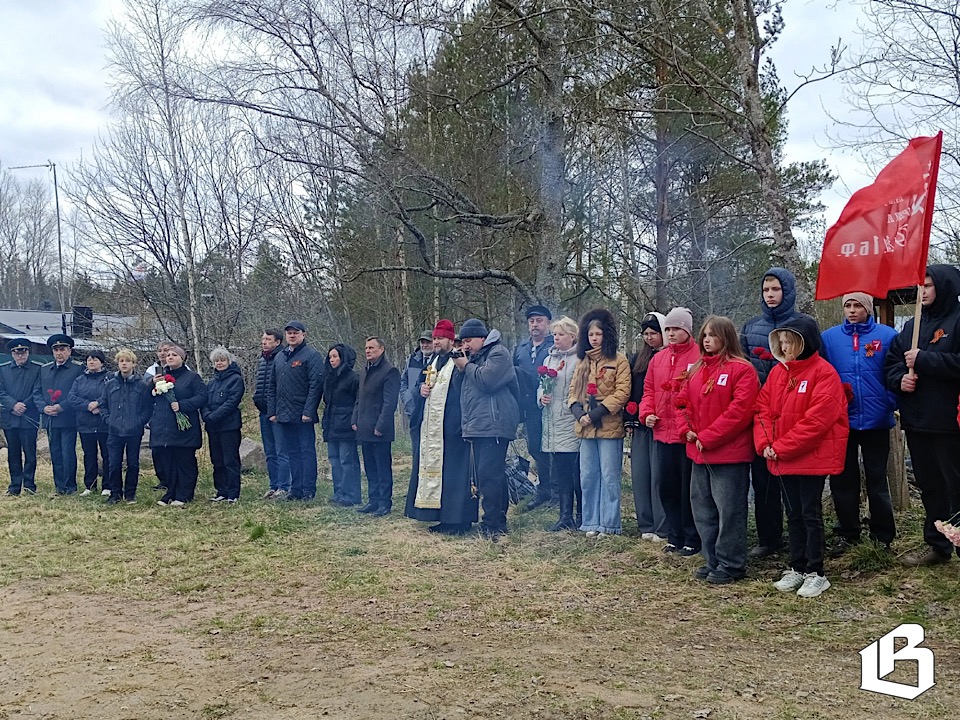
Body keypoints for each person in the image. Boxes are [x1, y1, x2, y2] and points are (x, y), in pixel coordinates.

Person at [755, 316, 848, 598]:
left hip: (810, 458)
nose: (784, 347)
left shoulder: (824, 373)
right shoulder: (778, 373)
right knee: (793, 514)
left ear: (803, 343)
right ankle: (797, 566)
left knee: (810, 514)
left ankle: (816, 572)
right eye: (780, 342)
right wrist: (765, 444)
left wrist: (780, 447)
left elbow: (816, 422)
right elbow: (761, 410)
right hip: (782, 456)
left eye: (789, 342)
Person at [885, 265, 960, 566]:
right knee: (930, 485)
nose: (924, 291)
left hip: (950, 422)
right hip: (917, 421)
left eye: (928, 286)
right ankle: (938, 544)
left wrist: (925, 360)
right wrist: (899, 379)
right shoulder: (911, 327)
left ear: (944, 286)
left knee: (956, 485)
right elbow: (892, 363)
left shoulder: (957, 321)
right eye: (921, 287)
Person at [678, 316, 760, 584]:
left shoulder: (742, 369)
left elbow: (740, 412)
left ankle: (732, 563)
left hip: (729, 455)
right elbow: (681, 403)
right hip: (699, 452)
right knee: (702, 509)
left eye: (713, 335)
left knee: (729, 511)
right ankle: (712, 559)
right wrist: (686, 429)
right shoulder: (696, 369)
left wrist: (709, 436)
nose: (707, 340)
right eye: (704, 335)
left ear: (727, 337)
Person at [821, 292, 898, 553]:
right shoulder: (829, 338)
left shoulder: (887, 336)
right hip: (842, 421)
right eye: (847, 306)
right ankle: (848, 531)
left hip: (876, 419)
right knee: (843, 479)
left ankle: (883, 535)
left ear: (868, 309)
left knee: (877, 479)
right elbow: (823, 374)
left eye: (857, 306)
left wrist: (889, 401)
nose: (852, 310)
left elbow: (894, 372)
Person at [739, 268, 801, 558]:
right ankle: (769, 537)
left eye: (776, 289)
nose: (771, 295)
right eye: (766, 291)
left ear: (787, 291)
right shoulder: (751, 328)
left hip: (792, 413)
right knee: (762, 478)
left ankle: (800, 538)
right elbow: (741, 368)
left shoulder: (803, 324)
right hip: (760, 414)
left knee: (793, 480)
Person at [405, 319, 478, 534]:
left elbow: (464, 390)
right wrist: (421, 390)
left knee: (456, 475)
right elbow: (420, 384)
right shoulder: (433, 362)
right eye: (435, 338)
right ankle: (443, 517)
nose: (436, 342)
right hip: (434, 429)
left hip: (454, 428)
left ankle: (459, 520)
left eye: (440, 338)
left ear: (450, 339)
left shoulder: (457, 359)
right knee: (441, 474)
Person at [639, 307, 702, 555]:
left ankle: (691, 536)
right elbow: (648, 391)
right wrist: (646, 413)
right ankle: (674, 534)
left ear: (687, 330)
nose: (672, 333)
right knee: (666, 487)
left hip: (685, 435)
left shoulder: (698, 356)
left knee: (687, 489)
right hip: (662, 433)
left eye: (676, 329)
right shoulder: (659, 359)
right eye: (669, 329)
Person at [568, 308, 631, 536]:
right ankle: (591, 522)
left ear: (607, 335)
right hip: (585, 428)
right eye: (591, 334)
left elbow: (622, 392)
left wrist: (596, 414)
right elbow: (573, 392)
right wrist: (578, 412)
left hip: (608, 426)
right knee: (588, 476)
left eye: (599, 334)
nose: (595, 338)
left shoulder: (619, 360)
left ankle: (609, 523)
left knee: (609, 476)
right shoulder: (582, 362)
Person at [454, 318, 520, 538]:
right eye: (463, 341)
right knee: (491, 476)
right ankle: (497, 521)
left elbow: (488, 381)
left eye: (469, 340)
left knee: (488, 476)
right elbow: (460, 389)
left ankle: (492, 525)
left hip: (495, 424)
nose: (466, 345)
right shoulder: (474, 358)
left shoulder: (498, 353)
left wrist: (467, 366)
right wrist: (460, 366)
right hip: (479, 425)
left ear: (482, 338)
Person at [267, 320, 324, 501]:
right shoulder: (280, 357)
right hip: (284, 414)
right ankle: (296, 488)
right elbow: (272, 386)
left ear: (303, 335)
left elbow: (316, 385)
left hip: (302, 414)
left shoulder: (311, 356)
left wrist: (309, 411)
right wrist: (272, 411)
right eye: (289, 333)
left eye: (296, 333)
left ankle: (308, 489)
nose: (292, 335)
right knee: (291, 452)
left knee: (306, 451)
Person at [539, 316, 581, 531]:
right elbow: (542, 386)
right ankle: (565, 516)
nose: (556, 338)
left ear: (572, 337)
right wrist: (541, 397)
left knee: (575, 471)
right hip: (552, 421)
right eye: (554, 334)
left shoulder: (579, 360)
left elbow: (578, 391)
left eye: (561, 334)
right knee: (561, 472)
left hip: (569, 421)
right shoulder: (549, 360)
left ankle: (581, 514)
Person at [151, 345, 207, 506]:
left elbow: (202, 397)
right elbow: (150, 398)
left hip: (184, 428)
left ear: (182, 359)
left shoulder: (192, 377)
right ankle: (170, 492)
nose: (170, 357)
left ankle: (184, 494)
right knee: (168, 462)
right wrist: (151, 385)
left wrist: (182, 405)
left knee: (184, 462)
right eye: (168, 355)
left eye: (174, 355)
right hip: (164, 428)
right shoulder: (161, 377)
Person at [629, 311, 668, 541]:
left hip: (661, 423)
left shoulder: (668, 357)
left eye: (654, 333)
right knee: (641, 474)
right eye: (646, 333)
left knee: (658, 476)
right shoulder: (639, 358)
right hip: (641, 422)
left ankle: (662, 525)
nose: (649, 337)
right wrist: (630, 418)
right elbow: (634, 389)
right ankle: (646, 523)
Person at [352, 336, 401, 516]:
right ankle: (373, 500)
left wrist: (381, 425)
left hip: (380, 429)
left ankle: (384, 502)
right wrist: (354, 419)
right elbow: (360, 398)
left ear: (382, 349)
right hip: (364, 427)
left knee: (382, 467)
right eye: (366, 348)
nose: (368, 351)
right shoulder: (365, 370)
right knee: (370, 467)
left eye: (372, 347)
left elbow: (390, 402)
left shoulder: (390, 371)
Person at [514, 305, 555, 510]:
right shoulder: (521, 348)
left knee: (553, 448)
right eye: (532, 321)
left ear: (548, 323)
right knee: (534, 448)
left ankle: (557, 491)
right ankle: (544, 489)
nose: (535, 325)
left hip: (551, 405)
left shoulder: (553, 346)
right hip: (529, 407)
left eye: (539, 321)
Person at [100, 349, 153, 505]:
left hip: (134, 431)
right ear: (117, 363)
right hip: (114, 431)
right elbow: (103, 405)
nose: (124, 363)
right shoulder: (109, 384)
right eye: (121, 361)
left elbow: (148, 408)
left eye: (127, 361)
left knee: (133, 464)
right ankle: (115, 494)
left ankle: (130, 494)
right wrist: (108, 420)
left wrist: (139, 421)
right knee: (114, 464)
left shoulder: (142, 385)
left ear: (133, 364)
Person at [38, 334, 84, 496]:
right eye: (56, 350)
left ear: (69, 351)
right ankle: (59, 486)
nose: (59, 353)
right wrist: (44, 408)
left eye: (62, 349)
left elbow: (78, 393)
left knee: (67, 452)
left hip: (67, 418)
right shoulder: (44, 369)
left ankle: (70, 486)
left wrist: (61, 407)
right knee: (55, 453)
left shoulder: (77, 369)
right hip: (49, 418)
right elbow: (37, 392)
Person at [0, 338, 43, 496]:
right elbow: (1, 391)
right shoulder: (2, 370)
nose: (21, 355)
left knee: (30, 453)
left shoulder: (37, 369)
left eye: (23, 352)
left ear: (28, 352)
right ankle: (14, 486)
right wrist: (13, 405)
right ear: (12, 354)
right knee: (13, 453)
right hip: (9, 416)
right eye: (17, 353)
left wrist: (23, 405)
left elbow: (38, 390)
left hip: (29, 416)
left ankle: (29, 485)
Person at [203, 347, 245, 503]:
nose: (219, 363)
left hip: (229, 426)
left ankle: (233, 493)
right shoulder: (211, 383)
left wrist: (214, 416)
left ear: (228, 361)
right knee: (217, 460)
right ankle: (221, 491)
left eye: (222, 360)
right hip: (213, 427)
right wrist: (207, 416)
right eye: (216, 361)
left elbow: (232, 402)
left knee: (230, 460)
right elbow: (204, 401)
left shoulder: (236, 380)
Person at [322, 343, 362, 507]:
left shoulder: (353, 378)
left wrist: (354, 421)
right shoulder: (329, 378)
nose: (332, 360)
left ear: (343, 358)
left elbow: (358, 402)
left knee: (348, 461)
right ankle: (339, 493)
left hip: (346, 425)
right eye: (330, 357)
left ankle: (351, 495)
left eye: (335, 356)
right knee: (334, 460)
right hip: (332, 424)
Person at [67, 349, 111, 496]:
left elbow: (112, 396)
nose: (91, 362)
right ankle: (90, 486)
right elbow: (72, 398)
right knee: (89, 455)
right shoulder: (80, 380)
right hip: (85, 423)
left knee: (107, 455)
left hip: (105, 423)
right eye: (89, 359)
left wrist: (98, 404)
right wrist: (88, 406)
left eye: (95, 359)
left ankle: (108, 485)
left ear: (102, 362)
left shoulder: (109, 378)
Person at [254, 329, 290, 500]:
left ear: (277, 342)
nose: (264, 342)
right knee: (270, 452)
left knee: (281, 451)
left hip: (277, 413)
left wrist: (275, 410)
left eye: (268, 339)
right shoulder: (262, 360)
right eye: (263, 339)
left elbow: (282, 388)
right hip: (263, 412)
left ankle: (284, 487)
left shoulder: (282, 358)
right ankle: (273, 486)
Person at [400, 330, 434, 504]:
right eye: (422, 342)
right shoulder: (413, 359)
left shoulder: (438, 361)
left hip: (432, 414)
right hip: (413, 412)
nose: (425, 345)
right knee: (416, 453)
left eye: (428, 342)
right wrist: (407, 399)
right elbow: (404, 382)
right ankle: (415, 488)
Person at [144, 341, 175, 491]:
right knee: (156, 449)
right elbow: (144, 391)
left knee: (170, 449)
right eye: (160, 350)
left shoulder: (179, 368)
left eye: (166, 350)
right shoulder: (151, 370)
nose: (163, 353)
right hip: (155, 415)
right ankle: (162, 479)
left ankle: (172, 479)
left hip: (172, 414)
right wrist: (152, 382)